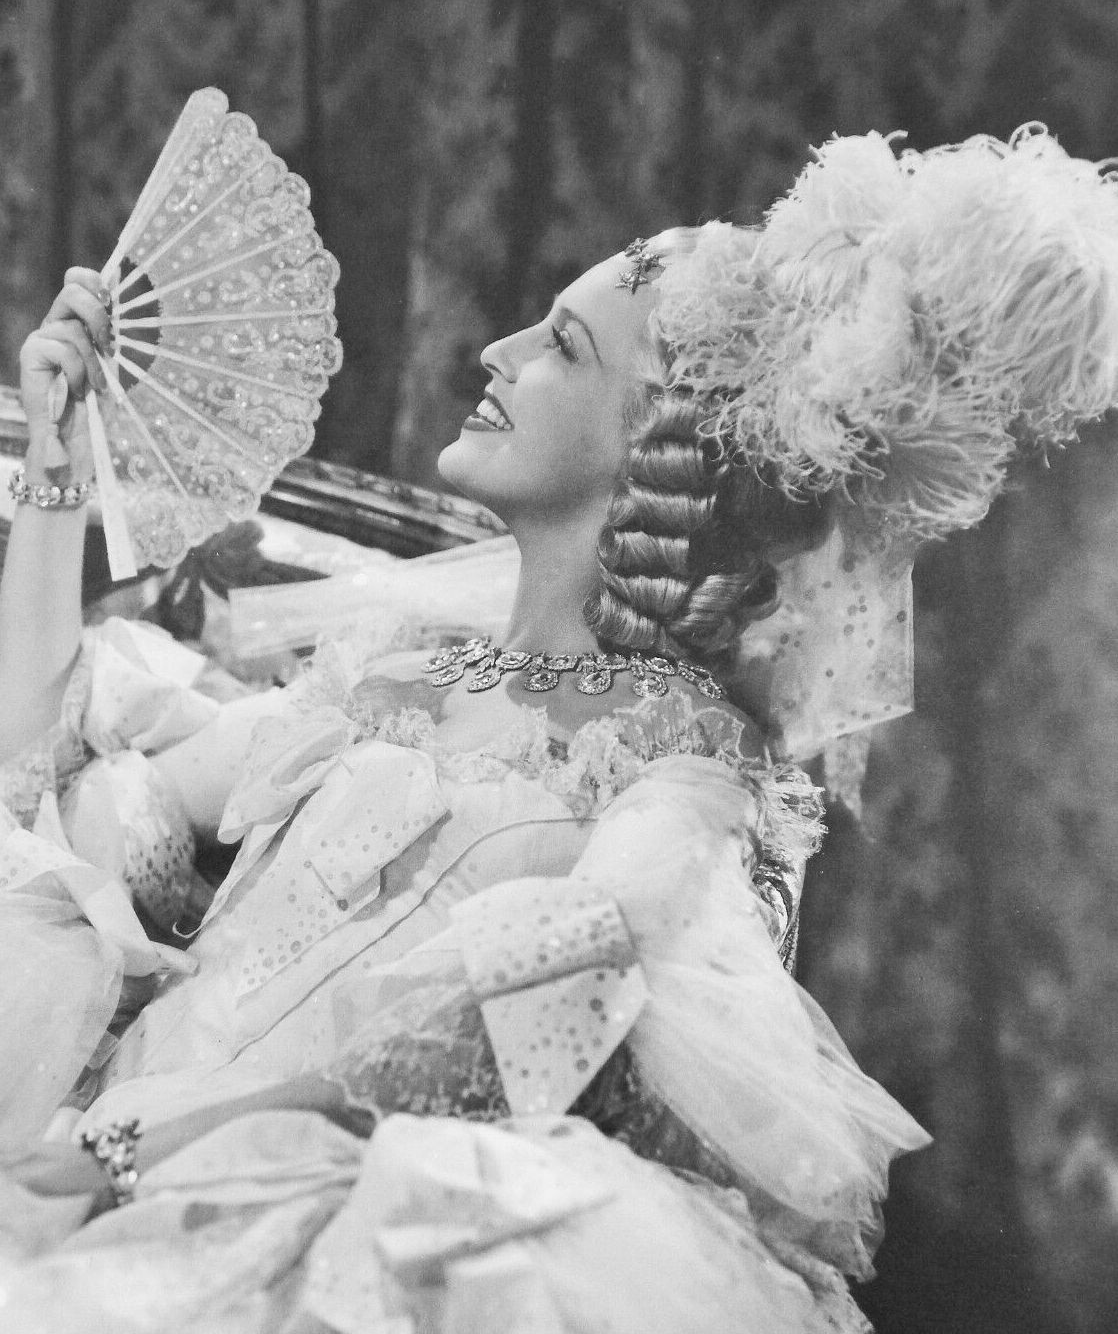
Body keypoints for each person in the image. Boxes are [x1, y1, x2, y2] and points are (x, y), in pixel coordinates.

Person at [0, 124, 1115, 1333]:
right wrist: (54, 473)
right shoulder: (381, 674)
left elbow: (525, 1024)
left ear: (654, 441)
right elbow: (38, 782)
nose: (497, 351)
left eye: (561, 343)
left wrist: (147, 1150)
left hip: (291, 1204)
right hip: (93, 1155)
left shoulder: (686, 774)